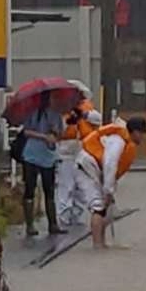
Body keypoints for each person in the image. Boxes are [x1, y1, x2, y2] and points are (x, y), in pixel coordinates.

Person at [75, 117, 146, 249]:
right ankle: (97, 246)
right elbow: (110, 163)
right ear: (134, 132)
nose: (142, 137)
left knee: (108, 211)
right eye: (141, 133)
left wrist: (109, 189)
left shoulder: (125, 141)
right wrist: (108, 191)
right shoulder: (118, 141)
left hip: (97, 171)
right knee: (98, 207)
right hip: (86, 169)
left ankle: (102, 243)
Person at [21, 91, 66, 237]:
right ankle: (30, 225)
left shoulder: (55, 114)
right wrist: (43, 136)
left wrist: (54, 134)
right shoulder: (32, 113)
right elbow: (26, 132)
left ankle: (53, 223)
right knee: (30, 188)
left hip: (48, 156)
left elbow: (60, 133)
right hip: (31, 155)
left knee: (50, 189)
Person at [56, 93, 102, 228]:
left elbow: (98, 119)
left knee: (80, 185)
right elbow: (58, 128)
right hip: (65, 150)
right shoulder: (59, 110)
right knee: (66, 184)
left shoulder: (86, 109)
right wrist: (69, 120)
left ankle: (76, 214)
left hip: (82, 149)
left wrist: (82, 115)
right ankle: (64, 215)